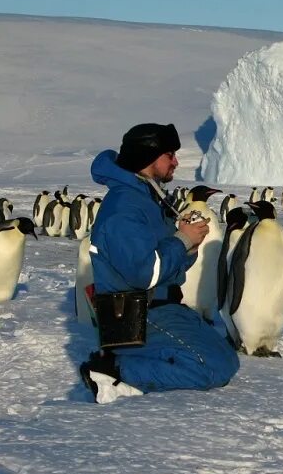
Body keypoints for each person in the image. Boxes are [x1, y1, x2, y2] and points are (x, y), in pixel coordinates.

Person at [79, 122, 239, 403]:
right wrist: (182, 240)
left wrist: (189, 245)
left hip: (161, 306)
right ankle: (111, 369)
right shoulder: (124, 207)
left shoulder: (147, 198)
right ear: (147, 157)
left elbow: (168, 268)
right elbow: (144, 273)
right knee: (212, 366)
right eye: (170, 155)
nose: (176, 161)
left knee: (228, 357)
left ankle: (129, 362)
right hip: (137, 313)